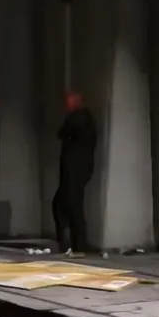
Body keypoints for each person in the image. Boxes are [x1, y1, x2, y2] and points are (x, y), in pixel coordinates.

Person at [54, 90, 97, 256]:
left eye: (70, 100)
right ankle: (75, 243)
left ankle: (75, 243)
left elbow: (63, 133)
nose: (67, 104)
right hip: (78, 168)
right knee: (69, 205)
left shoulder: (78, 118)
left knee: (69, 205)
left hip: (75, 169)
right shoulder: (85, 118)